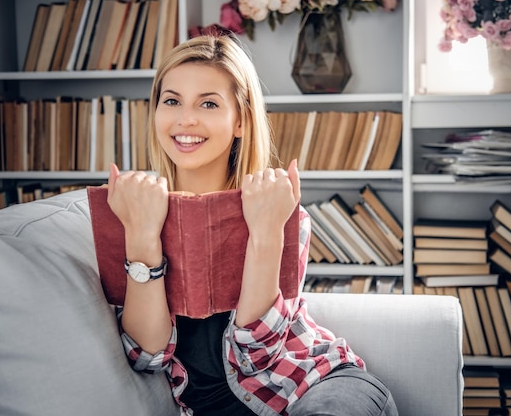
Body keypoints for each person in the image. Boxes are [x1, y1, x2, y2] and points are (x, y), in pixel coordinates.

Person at [106, 33, 398, 416]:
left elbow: (256, 354)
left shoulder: (278, 210)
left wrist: (266, 234)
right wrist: (143, 236)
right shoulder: (133, 211)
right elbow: (149, 356)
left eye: (208, 103)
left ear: (240, 120)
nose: (185, 119)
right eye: (172, 101)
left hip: (314, 387)